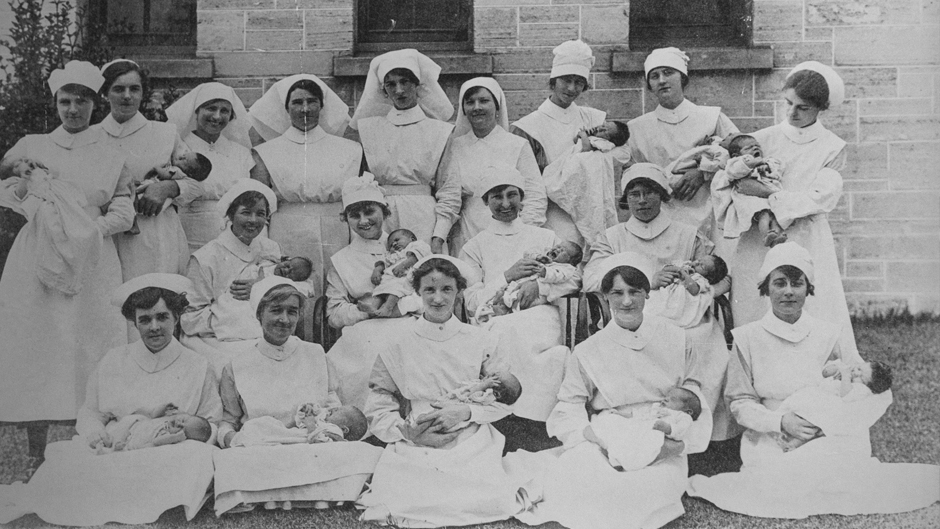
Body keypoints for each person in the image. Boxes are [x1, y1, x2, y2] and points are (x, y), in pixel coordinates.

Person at [687, 242, 940, 518]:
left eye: (797, 283)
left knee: (838, 466)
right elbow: (739, 402)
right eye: (779, 283)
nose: (788, 291)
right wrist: (781, 422)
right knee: (780, 481)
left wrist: (826, 425)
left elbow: (859, 390)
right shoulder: (748, 338)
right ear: (766, 289)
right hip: (774, 436)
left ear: (808, 288)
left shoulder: (829, 333)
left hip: (828, 433)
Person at [0, 274, 223, 526]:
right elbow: (92, 412)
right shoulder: (114, 360)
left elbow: (211, 422)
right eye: (145, 319)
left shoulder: (198, 365)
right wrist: (95, 433)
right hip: (117, 445)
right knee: (68, 461)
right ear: (133, 322)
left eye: (162, 317)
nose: (154, 327)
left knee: (194, 457)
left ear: (176, 317)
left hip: (169, 451)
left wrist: (185, 433)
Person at [0, 61, 134, 477]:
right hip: (37, 257)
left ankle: (91, 455)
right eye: (65, 101)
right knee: (38, 348)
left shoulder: (113, 152)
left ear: (96, 104)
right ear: (54, 103)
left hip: (92, 259)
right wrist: (24, 184)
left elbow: (124, 209)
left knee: (89, 345)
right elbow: (8, 195)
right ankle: (34, 458)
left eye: (81, 101)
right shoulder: (32, 145)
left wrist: (89, 230)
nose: (72, 109)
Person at [514, 252, 712, 529]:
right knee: (584, 478)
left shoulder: (679, 339)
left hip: (660, 434)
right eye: (617, 293)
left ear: (648, 295)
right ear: (605, 297)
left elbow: (693, 394)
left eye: (635, 292)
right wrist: (592, 436)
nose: (627, 301)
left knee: (638, 492)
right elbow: (569, 406)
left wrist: (679, 440)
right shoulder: (588, 351)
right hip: (607, 432)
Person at [358, 255, 525, 526]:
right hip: (416, 434)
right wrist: (406, 431)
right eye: (429, 290)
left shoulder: (481, 339)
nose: (438, 298)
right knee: (406, 495)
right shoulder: (397, 344)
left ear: (458, 291)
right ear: (418, 292)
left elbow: (504, 397)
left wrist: (466, 412)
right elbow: (379, 402)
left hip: (468, 433)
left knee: (483, 495)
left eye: (446, 289)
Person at [583, 163, 735, 449]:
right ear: (625, 199)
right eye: (634, 194)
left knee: (702, 343)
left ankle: (698, 438)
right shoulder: (612, 237)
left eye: (649, 192)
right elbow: (590, 279)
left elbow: (720, 274)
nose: (641, 200)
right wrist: (644, 282)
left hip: (686, 317)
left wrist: (700, 288)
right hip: (634, 311)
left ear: (663, 195)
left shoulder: (688, 235)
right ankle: (640, 432)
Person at [718, 61, 858, 356]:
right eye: (788, 103)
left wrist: (769, 194)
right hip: (760, 240)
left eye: (803, 107)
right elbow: (735, 183)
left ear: (821, 108)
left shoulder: (832, 147)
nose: (792, 113)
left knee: (812, 313)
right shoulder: (762, 140)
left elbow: (821, 198)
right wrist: (753, 194)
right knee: (755, 310)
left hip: (806, 238)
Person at [213, 276, 382, 515]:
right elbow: (229, 420)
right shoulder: (236, 365)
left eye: (292, 312)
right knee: (230, 461)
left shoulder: (316, 354)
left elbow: (333, 405)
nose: (284, 319)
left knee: (363, 452)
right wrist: (233, 440)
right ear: (259, 314)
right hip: (264, 450)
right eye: (275, 311)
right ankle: (326, 491)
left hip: (311, 445)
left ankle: (268, 493)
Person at [459, 167, 570, 451]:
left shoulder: (545, 237)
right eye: (497, 197)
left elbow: (572, 277)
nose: (506, 204)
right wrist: (506, 276)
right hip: (494, 317)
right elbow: (471, 301)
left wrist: (541, 288)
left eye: (512, 196)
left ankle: (539, 424)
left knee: (543, 349)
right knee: (504, 331)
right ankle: (506, 421)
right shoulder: (474, 247)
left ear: (522, 198)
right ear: (486, 202)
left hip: (541, 314)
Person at [248, 74, 363, 295]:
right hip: (287, 232)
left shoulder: (350, 149)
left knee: (338, 289)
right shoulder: (266, 152)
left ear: (321, 105)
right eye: (297, 102)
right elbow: (259, 206)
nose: (305, 109)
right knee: (291, 292)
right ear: (286, 108)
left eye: (311, 101)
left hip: (336, 232)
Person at [325, 175, 425, 411]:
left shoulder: (409, 248)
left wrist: (407, 305)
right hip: (366, 330)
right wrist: (365, 310)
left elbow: (429, 288)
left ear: (385, 212)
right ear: (345, 218)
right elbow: (334, 313)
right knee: (369, 355)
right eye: (354, 215)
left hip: (409, 321)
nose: (363, 221)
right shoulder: (342, 260)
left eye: (370, 212)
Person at [628, 47, 739, 241]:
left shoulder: (711, 118)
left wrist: (703, 173)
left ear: (682, 78)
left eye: (668, 73)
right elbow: (633, 176)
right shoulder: (637, 128)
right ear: (650, 85)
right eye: (654, 76)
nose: (662, 80)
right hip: (663, 215)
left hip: (710, 209)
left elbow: (742, 154)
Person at [349, 49, 457, 247]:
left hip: (423, 218)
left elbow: (449, 187)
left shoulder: (439, 131)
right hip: (379, 218)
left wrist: (438, 236)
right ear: (384, 90)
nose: (399, 90)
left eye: (405, 82)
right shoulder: (369, 129)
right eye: (391, 84)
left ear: (418, 84)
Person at [97, 59, 193, 281]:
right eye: (118, 89)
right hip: (109, 234)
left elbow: (196, 183)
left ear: (143, 93)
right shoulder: (92, 137)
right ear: (104, 93)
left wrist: (168, 188)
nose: (127, 96)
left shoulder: (165, 134)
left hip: (156, 230)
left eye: (134, 89)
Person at [181, 179, 283, 375]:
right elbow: (190, 318)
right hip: (216, 337)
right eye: (246, 212)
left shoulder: (269, 248)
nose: (253, 220)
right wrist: (239, 318)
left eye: (260, 214)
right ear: (230, 215)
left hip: (262, 331)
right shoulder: (206, 257)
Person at [512, 39, 608, 248]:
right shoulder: (528, 127)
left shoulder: (594, 119)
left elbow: (618, 158)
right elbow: (528, 187)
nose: (572, 88)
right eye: (566, 80)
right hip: (550, 221)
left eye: (579, 82)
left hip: (591, 217)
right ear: (553, 80)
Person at [435, 77, 545, 255]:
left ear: (497, 106)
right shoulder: (456, 146)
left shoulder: (517, 145)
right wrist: (438, 236)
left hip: (511, 232)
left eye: (484, 101)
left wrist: (524, 234)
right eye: (470, 102)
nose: (477, 107)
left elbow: (535, 196)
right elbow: (449, 196)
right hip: (467, 232)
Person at [166, 82, 254, 252]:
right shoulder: (178, 149)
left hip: (234, 239)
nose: (217, 116)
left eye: (224, 111)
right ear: (197, 110)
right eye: (211, 108)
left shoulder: (241, 153)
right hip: (188, 235)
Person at [772, 359, 892, 453]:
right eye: (859, 368)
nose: (856, 373)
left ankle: (793, 444)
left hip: (829, 408)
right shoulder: (848, 370)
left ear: (868, 385)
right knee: (804, 418)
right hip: (818, 399)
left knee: (814, 426)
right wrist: (836, 368)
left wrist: (846, 376)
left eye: (862, 377)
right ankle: (786, 434)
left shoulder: (862, 390)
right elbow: (825, 373)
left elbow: (847, 395)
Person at [591, 386, 702, 472]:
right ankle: (612, 449)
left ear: (688, 411)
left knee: (643, 446)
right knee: (621, 429)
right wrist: (621, 414)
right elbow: (640, 414)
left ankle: (621, 461)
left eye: (672, 399)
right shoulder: (657, 407)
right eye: (667, 396)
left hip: (655, 433)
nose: (666, 399)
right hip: (640, 427)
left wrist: (668, 428)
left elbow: (680, 430)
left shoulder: (683, 417)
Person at [711, 133, 787, 246]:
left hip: (765, 193)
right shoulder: (736, 163)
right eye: (749, 148)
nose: (755, 148)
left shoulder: (767, 160)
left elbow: (778, 167)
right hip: (748, 197)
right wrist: (752, 163)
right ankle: (766, 234)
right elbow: (733, 172)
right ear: (736, 155)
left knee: (774, 214)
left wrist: (766, 166)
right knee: (764, 214)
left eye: (757, 145)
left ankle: (776, 236)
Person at [479, 240, 582, 321]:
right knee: (510, 291)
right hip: (520, 282)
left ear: (570, 261)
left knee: (520, 300)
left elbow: (562, 276)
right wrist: (538, 257)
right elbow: (529, 253)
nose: (558, 249)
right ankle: (498, 303)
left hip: (538, 298)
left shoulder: (566, 268)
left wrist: (542, 280)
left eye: (563, 250)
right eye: (558, 246)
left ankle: (504, 309)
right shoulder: (545, 253)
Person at [362, 227, 432, 317]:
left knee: (395, 289)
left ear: (412, 239)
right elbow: (384, 263)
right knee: (379, 291)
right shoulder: (392, 255)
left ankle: (388, 308)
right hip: (389, 278)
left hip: (405, 277)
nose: (394, 244)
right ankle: (372, 308)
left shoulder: (416, 245)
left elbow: (417, 256)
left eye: (397, 240)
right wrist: (377, 271)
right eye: (391, 245)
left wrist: (403, 265)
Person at [645, 255, 729, 329]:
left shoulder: (701, 279)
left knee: (667, 310)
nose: (696, 263)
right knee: (654, 301)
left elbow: (694, 290)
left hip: (678, 299)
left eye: (701, 266)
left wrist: (685, 275)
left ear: (709, 277)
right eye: (699, 260)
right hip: (667, 290)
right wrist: (678, 269)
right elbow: (665, 269)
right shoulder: (686, 264)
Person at [95, 405, 212, 454]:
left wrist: (175, 437)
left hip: (133, 439)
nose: (179, 423)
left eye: (181, 429)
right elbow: (153, 416)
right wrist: (161, 410)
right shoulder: (169, 418)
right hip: (135, 425)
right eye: (184, 419)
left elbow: (156, 442)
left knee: (118, 446)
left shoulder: (168, 435)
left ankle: (106, 449)